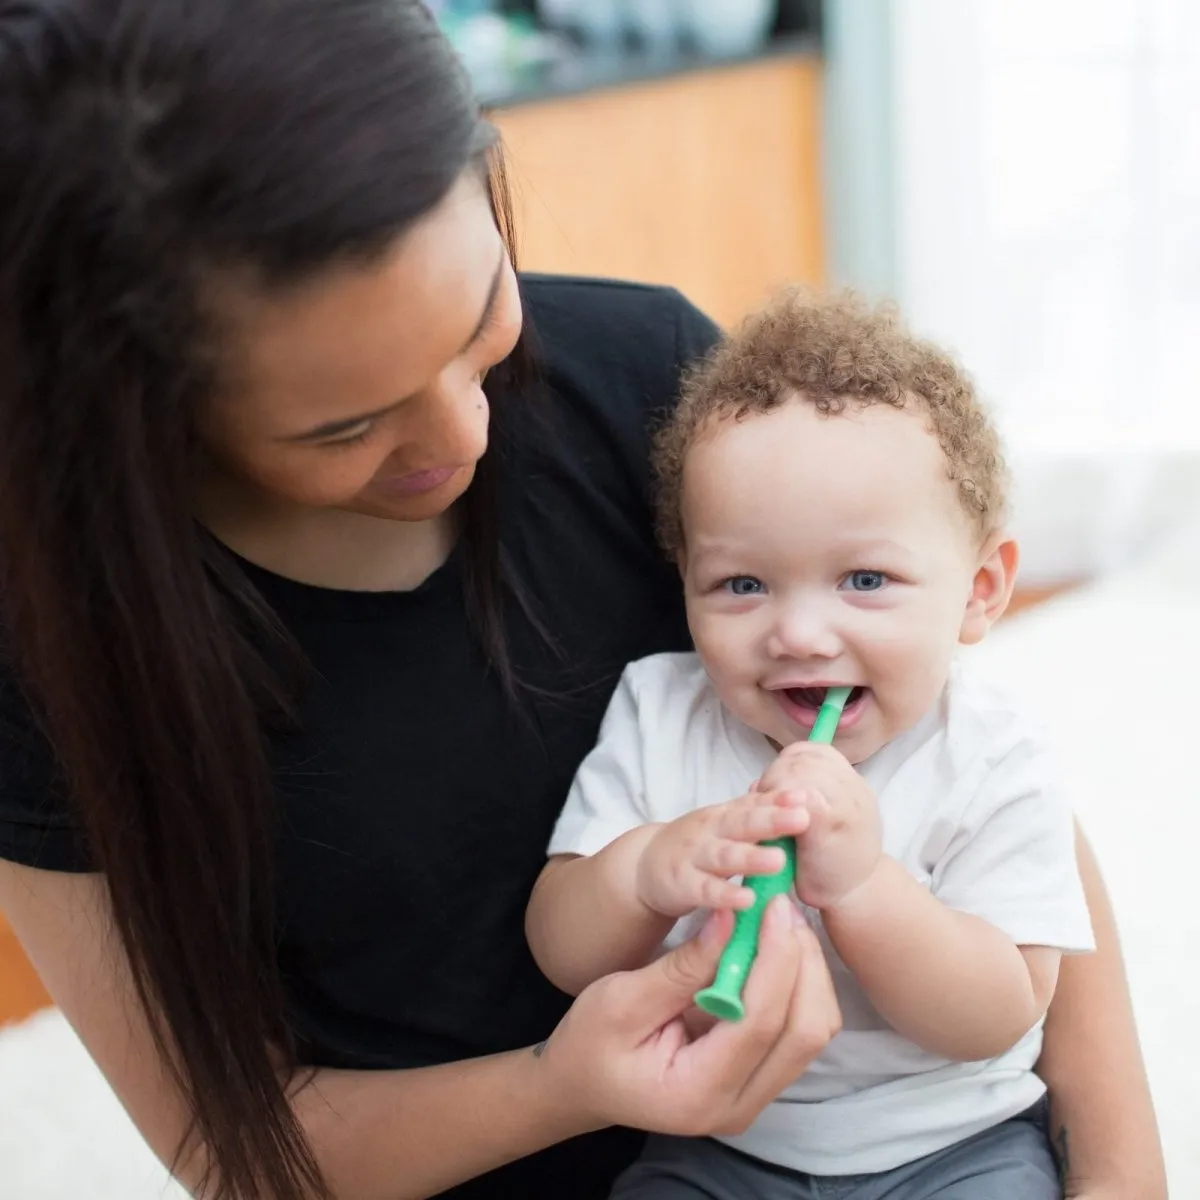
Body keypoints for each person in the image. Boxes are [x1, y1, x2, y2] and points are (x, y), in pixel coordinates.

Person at [0, 3, 1163, 1200]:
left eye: (480, 317)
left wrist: (1123, 1172)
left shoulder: (647, 380)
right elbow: (239, 1150)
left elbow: (982, 802)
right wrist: (567, 1081)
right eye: (346, 426)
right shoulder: (56, 649)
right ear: (130, 420)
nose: (468, 430)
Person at [527, 288, 1109, 1198]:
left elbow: (998, 1013)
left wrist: (863, 886)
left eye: (865, 579)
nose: (799, 633)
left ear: (980, 591)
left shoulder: (994, 753)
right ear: (682, 579)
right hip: (717, 1146)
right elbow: (561, 948)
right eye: (742, 584)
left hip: (953, 1151)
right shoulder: (659, 711)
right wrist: (645, 872)